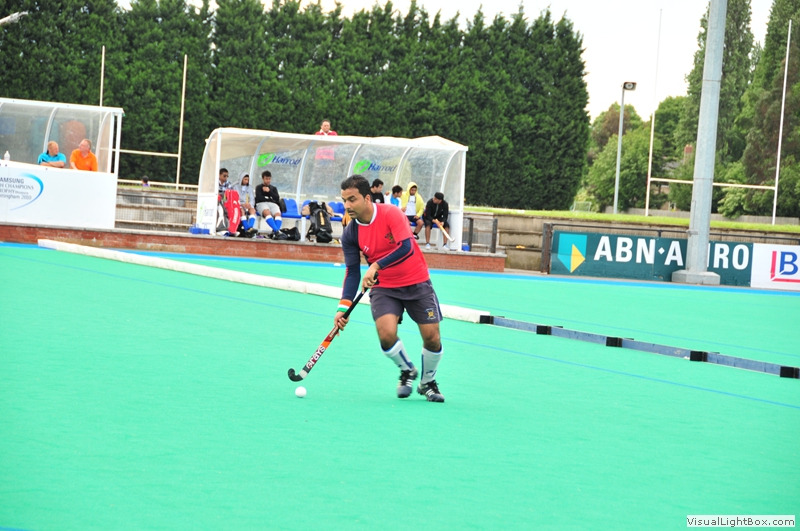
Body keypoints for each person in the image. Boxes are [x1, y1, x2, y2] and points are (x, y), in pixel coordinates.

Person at [335, 174, 445, 402]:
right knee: (386, 335)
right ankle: (407, 370)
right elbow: (353, 271)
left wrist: (376, 265)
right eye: (344, 200)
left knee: (432, 337)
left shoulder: (391, 214)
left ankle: (427, 382)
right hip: (384, 287)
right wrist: (343, 307)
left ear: (367, 198)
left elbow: (406, 248)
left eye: (352, 199)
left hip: (416, 281)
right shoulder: (350, 233)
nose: (347, 206)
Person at [254, 170, 286, 239]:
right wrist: (269, 198)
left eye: (269, 179)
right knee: (267, 212)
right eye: (266, 179)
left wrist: (269, 192)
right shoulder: (259, 187)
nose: (268, 181)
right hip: (262, 203)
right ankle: (277, 231)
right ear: (263, 178)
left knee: (278, 214)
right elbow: (259, 198)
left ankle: (275, 233)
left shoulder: (273, 188)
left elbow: (277, 198)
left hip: (273, 204)